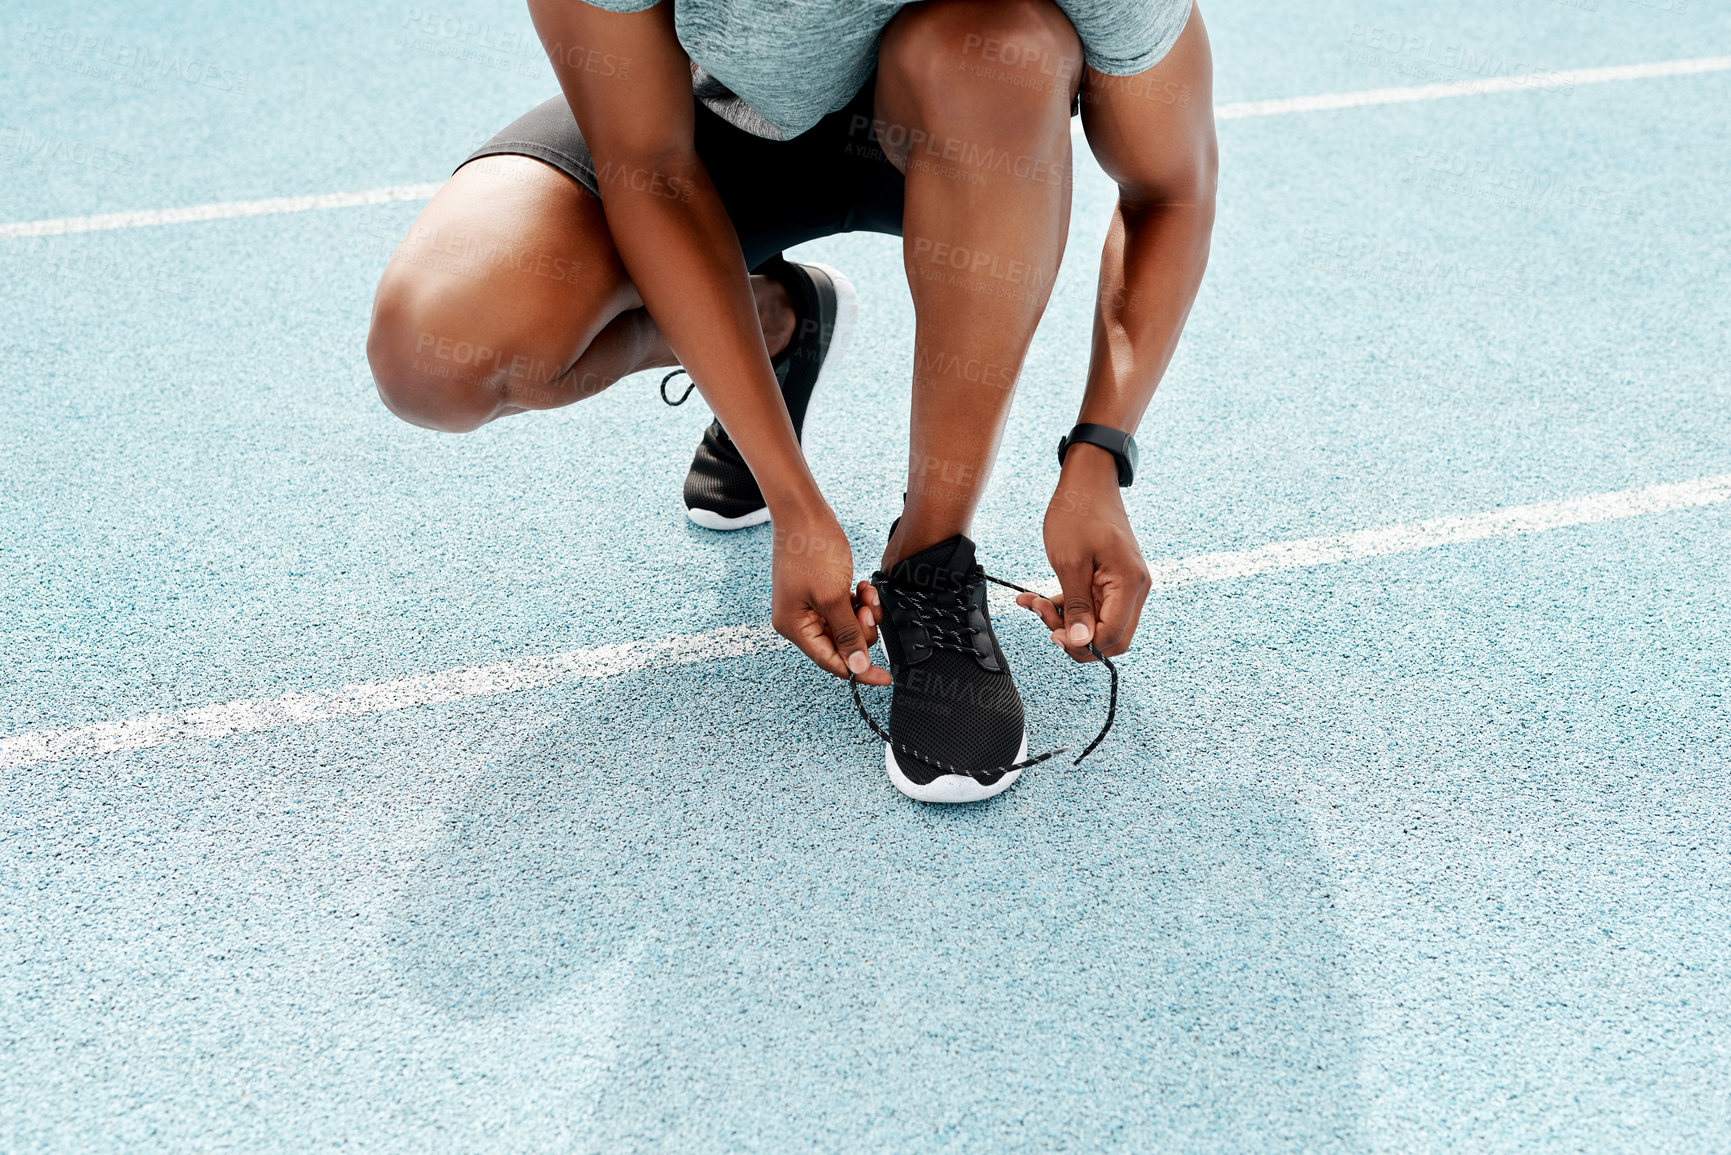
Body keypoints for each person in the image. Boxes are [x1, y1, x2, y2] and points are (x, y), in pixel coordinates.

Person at [366, 0, 1216, 802]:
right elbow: (650, 169)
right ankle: (777, 324)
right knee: (433, 359)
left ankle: (930, 556)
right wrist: (792, 498)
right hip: (700, 137)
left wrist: (1099, 453)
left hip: (967, 141)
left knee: (996, 54)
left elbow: (1168, 189)